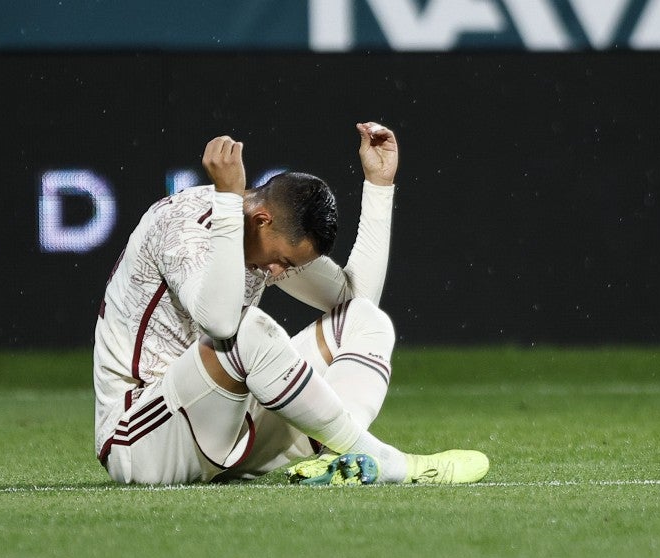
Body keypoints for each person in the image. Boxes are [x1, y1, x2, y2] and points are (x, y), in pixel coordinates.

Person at [93, 121, 489, 486]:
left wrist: (379, 185)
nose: (279, 271)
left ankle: (339, 460)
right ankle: (382, 459)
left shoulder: (265, 239)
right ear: (261, 219)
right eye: (281, 259)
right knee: (246, 330)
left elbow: (356, 301)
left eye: (289, 265)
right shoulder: (183, 226)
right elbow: (220, 324)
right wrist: (229, 200)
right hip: (142, 437)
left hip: (227, 425)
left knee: (367, 320)